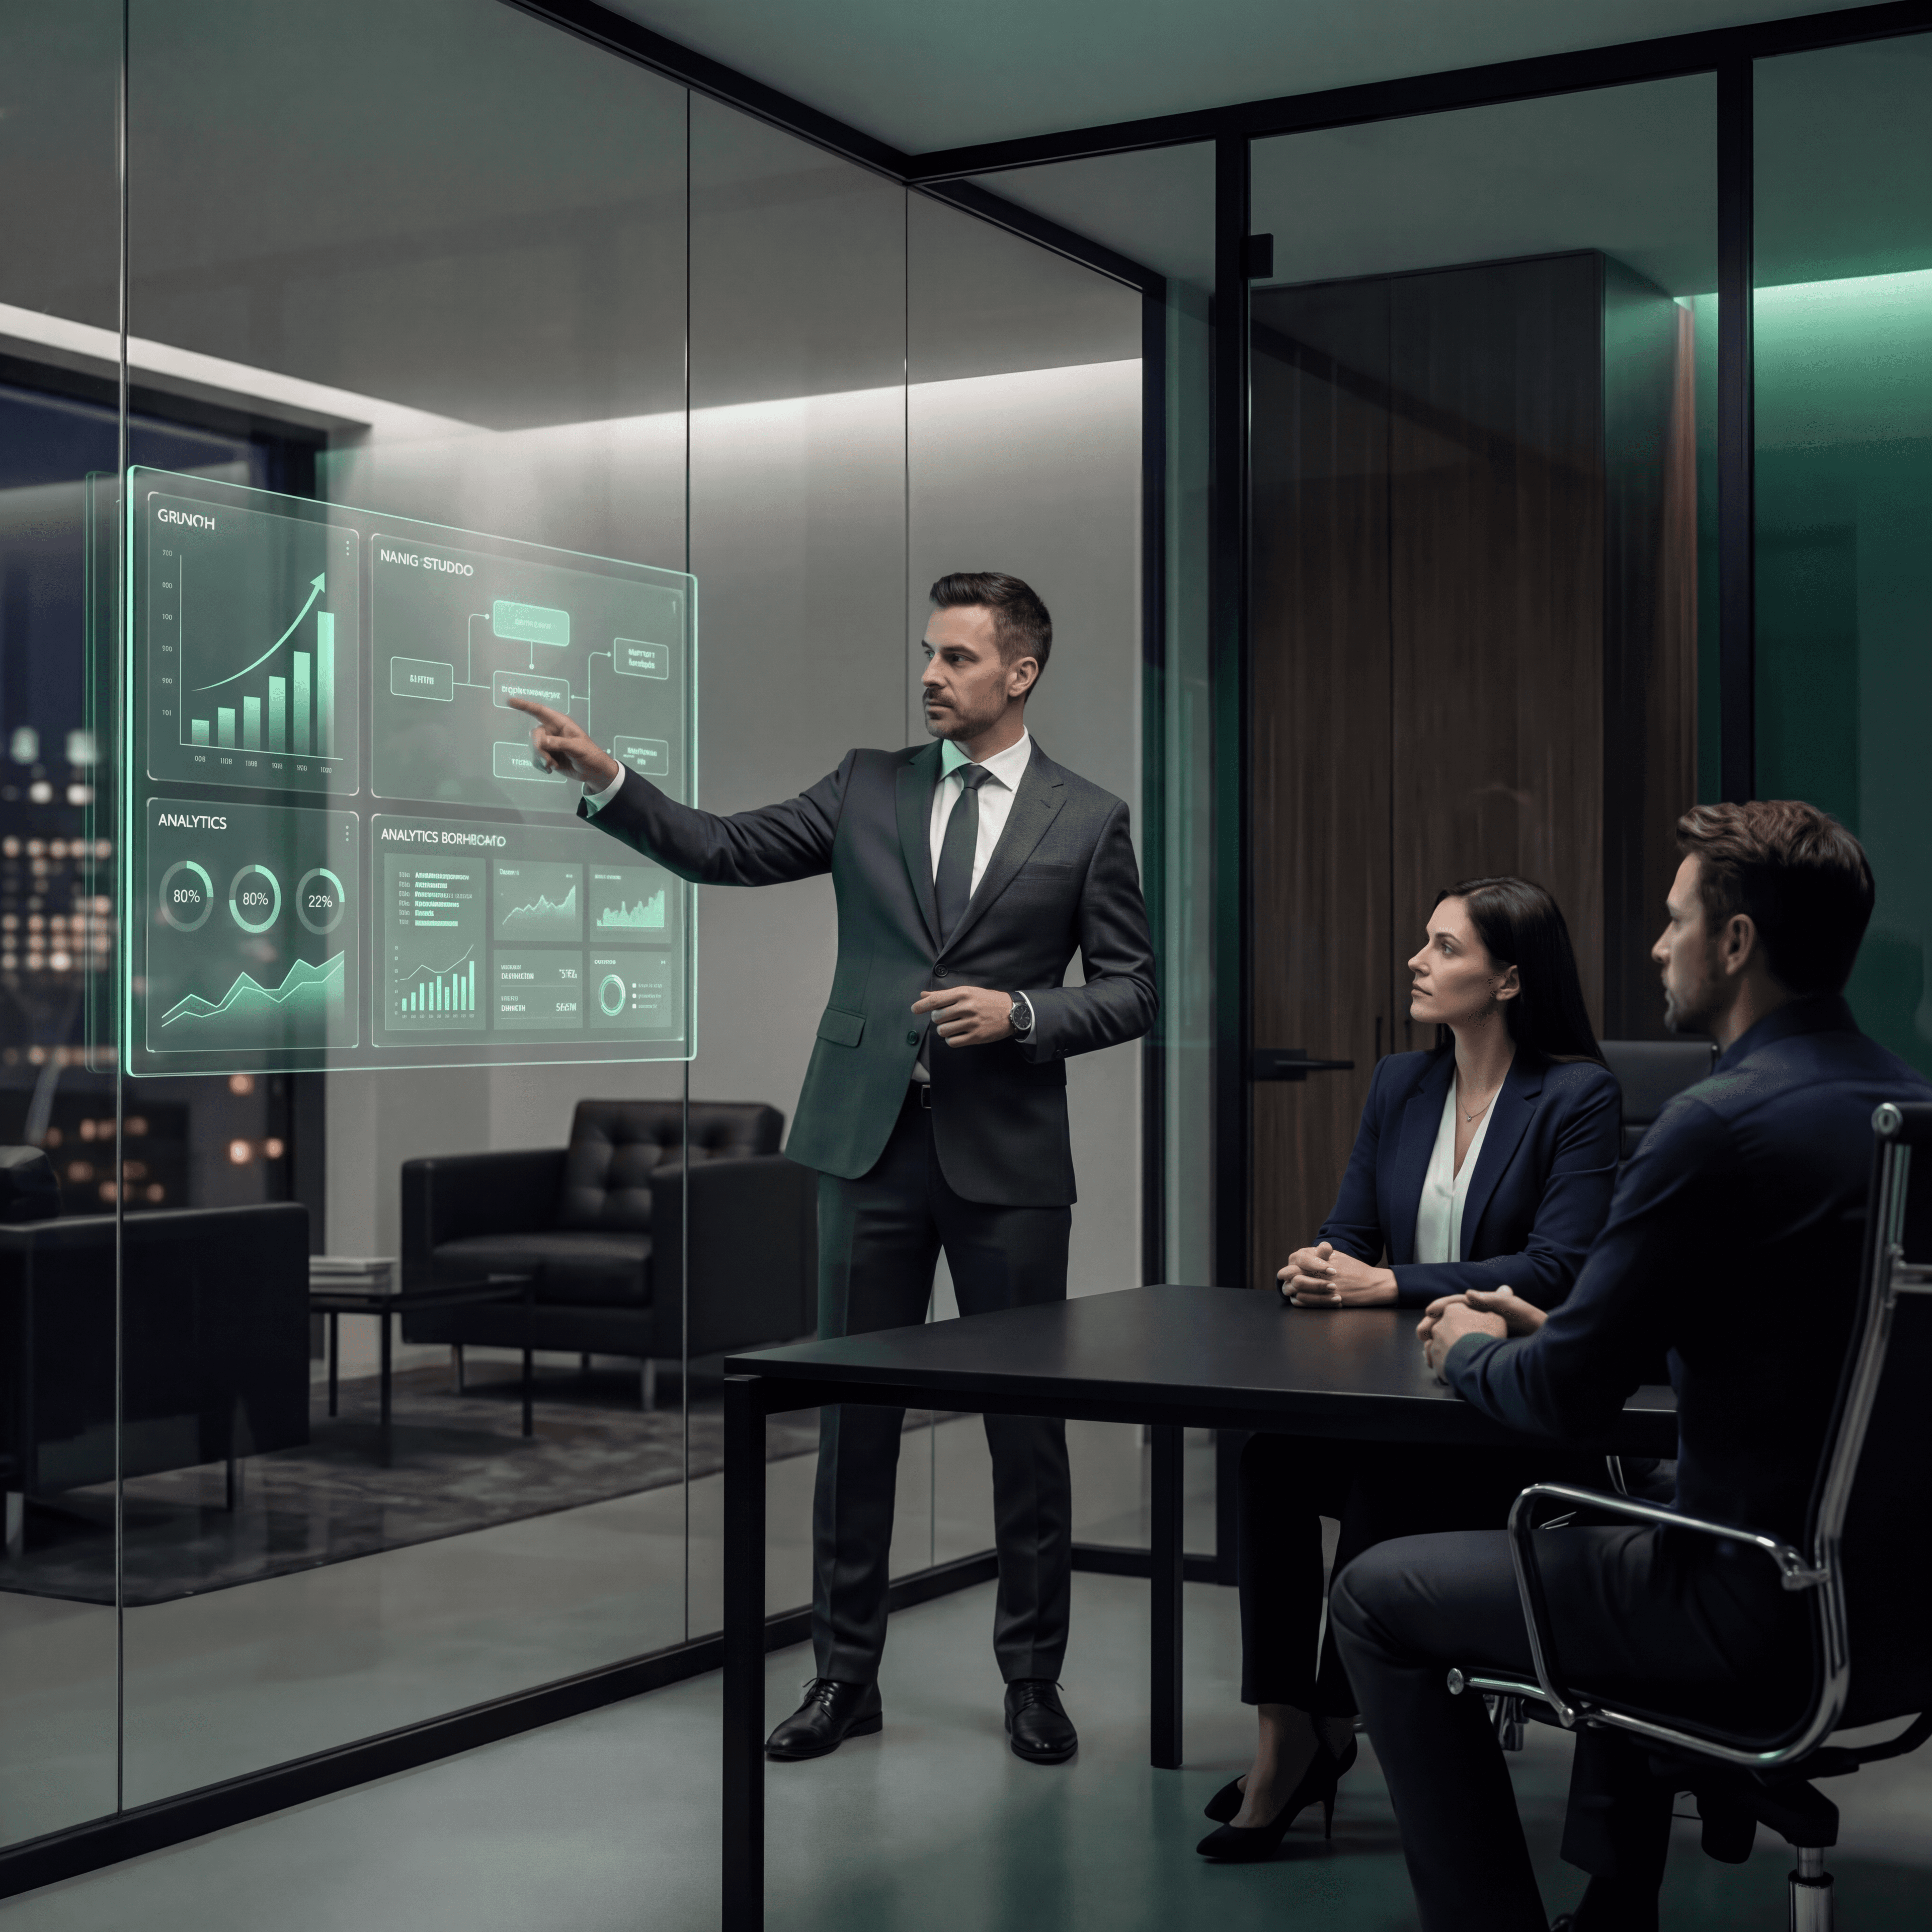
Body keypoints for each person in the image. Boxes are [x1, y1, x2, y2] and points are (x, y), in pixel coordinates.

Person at [510, 572, 1156, 1769]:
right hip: (865, 1147)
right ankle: (843, 1678)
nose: (930, 675)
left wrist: (1021, 1013)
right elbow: (722, 848)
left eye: (957, 659)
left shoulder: (1089, 817)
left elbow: (1133, 989)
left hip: (1009, 1162)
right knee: (855, 1423)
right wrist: (608, 781)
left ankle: (1032, 1682)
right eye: (928, 653)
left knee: (1028, 1431)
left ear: (1020, 675)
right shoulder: (868, 785)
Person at [1331, 800, 1932, 1932]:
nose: (1659, 947)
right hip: (1899, 1607)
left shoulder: (1714, 1125)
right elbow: (1807, 1334)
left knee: (1373, 1595)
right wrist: (1554, 1326)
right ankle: (1616, 1901)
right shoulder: (1909, 1112)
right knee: (1629, 1512)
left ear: (1738, 942)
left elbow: (1563, 1400)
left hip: (1747, 1606)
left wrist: (1469, 1350)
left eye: (1675, 921)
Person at [1200, 878, 1620, 1861]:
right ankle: (1289, 1728)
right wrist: (1321, 1262)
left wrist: (1384, 1282)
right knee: (1269, 1461)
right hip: (1390, 1391)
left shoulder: (1577, 1096)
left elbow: (1559, 1267)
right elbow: (1348, 1230)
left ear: (1510, 978)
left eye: (1445, 948)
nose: (1417, 963)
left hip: (1500, 1407)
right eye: (1424, 944)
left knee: (1387, 1479)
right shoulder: (1401, 1082)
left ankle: (1328, 1724)